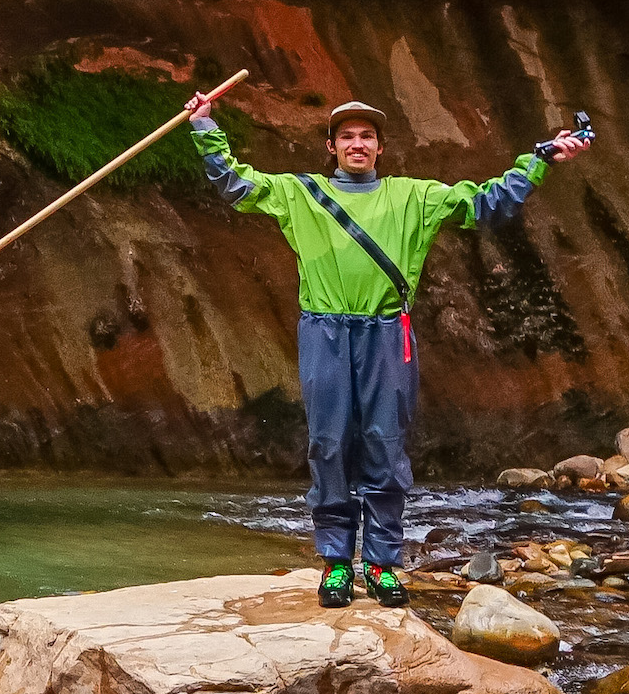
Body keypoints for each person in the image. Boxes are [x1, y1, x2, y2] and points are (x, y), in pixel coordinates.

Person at [180, 89, 593, 607]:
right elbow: (235, 183)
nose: (357, 144)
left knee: (384, 443)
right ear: (330, 147)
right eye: (347, 136)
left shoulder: (413, 197)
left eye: (367, 136)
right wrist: (203, 126)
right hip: (324, 331)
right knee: (328, 443)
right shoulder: (298, 192)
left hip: (385, 332)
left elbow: (488, 202)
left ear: (380, 147)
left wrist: (541, 158)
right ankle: (335, 564)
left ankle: (380, 563)